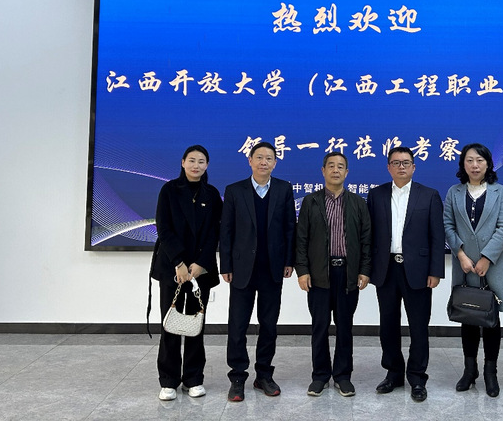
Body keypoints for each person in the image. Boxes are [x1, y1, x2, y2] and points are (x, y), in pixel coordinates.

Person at [219, 141, 297, 402]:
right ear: (250, 160)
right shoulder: (234, 190)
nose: (264, 162)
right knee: (237, 325)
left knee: (269, 325)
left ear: (275, 163)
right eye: (259, 157)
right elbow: (226, 230)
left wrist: (289, 260)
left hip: (272, 268)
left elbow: (290, 228)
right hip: (242, 269)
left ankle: (264, 374)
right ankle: (237, 377)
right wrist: (226, 265)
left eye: (269, 158)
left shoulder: (284, 189)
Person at [367, 146, 444, 402]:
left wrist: (435, 271)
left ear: (413, 167)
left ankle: (417, 377)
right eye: (396, 162)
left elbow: (437, 236)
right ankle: (393, 373)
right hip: (386, 269)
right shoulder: (376, 195)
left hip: (418, 271)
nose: (401, 166)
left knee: (418, 326)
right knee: (388, 325)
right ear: (388, 167)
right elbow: (369, 235)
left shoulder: (429, 195)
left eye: (406, 162)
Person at [295, 152, 372, 398]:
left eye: (340, 167)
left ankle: (342, 376)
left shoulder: (358, 203)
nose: (336, 170)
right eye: (331, 166)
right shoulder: (311, 202)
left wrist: (364, 270)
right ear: (323, 171)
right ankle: (320, 376)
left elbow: (366, 240)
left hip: (347, 274)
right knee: (319, 327)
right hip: (318, 273)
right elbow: (301, 239)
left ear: (347, 173)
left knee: (344, 327)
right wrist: (302, 271)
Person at [150, 145, 222, 401]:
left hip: (200, 270)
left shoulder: (212, 194)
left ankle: (193, 378)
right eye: (192, 160)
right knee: (170, 323)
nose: (196, 165)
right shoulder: (169, 190)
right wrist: (179, 262)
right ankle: (168, 380)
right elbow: (164, 228)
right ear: (182, 162)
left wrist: (201, 264)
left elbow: (215, 232)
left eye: (201, 161)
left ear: (207, 165)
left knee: (195, 325)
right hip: (173, 268)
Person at [443, 143, 503, 398]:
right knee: (468, 317)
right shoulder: (454, 192)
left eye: (480, 160)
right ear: (463, 164)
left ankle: (490, 373)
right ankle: (469, 370)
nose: (475, 165)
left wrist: (486, 258)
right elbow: (448, 225)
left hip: (492, 266)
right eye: (470, 160)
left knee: (491, 320)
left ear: (488, 164)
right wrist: (461, 254)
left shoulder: (500, 192)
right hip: (465, 266)